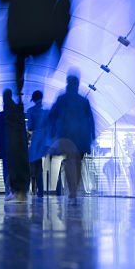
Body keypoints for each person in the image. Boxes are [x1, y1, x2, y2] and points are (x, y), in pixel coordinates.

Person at [46, 74, 96, 202]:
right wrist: (92, 135)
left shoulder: (62, 99)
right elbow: (90, 119)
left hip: (67, 135)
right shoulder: (83, 101)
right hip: (80, 137)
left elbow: (52, 115)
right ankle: (73, 189)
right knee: (77, 161)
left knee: (70, 161)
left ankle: (73, 189)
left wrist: (52, 133)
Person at [4, 88, 30, 201]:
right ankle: (21, 191)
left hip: (12, 141)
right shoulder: (15, 107)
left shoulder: (8, 108)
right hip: (19, 141)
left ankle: (12, 191)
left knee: (11, 166)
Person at [26, 90, 49, 197]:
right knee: (39, 166)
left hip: (35, 139)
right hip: (43, 141)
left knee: (31, 165)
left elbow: (30, 126)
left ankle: (27, 189)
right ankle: (40, 191)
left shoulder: (30, 111)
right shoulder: (45, 112)